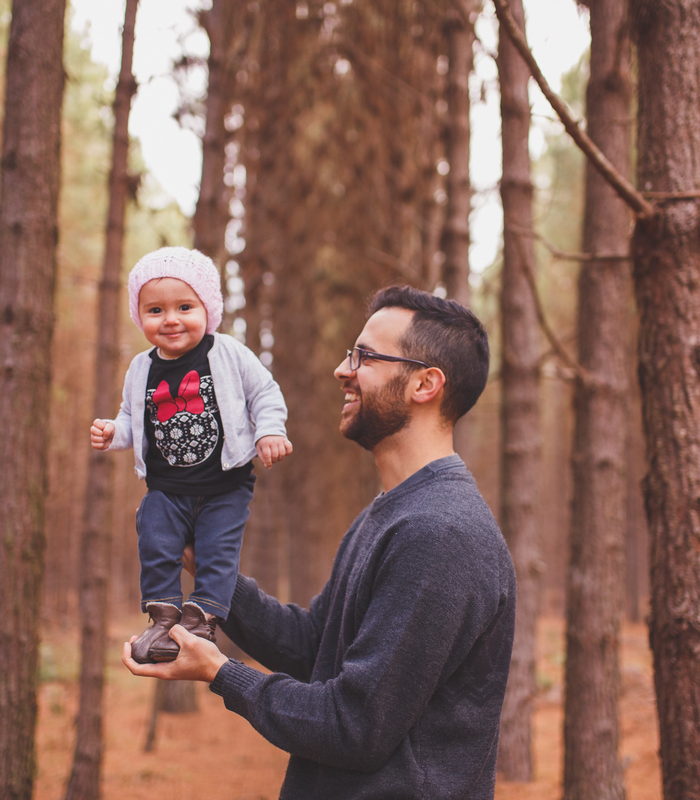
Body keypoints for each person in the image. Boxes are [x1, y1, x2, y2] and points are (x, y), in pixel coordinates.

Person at [123, 285, 516, 799]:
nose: (342, 369)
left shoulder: (439, 533)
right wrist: (213, 575)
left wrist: (221, 672)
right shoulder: (393, 513)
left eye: (364, 356)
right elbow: (316, 650)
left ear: (425, 383)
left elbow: (356, 726)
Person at [91, 246, 292, 663]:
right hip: (167, 486)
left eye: (185, 306)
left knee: (216, 553)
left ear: (209, 308)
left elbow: (264, 393)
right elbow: (132, 418)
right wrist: (114, 432)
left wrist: (270, 431)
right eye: (155, 310)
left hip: (224, 485)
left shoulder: (227, 353)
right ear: (139, 316)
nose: (171, 319)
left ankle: (201, 621)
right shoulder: (141, 368)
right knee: (155, 538)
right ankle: (163, 620)